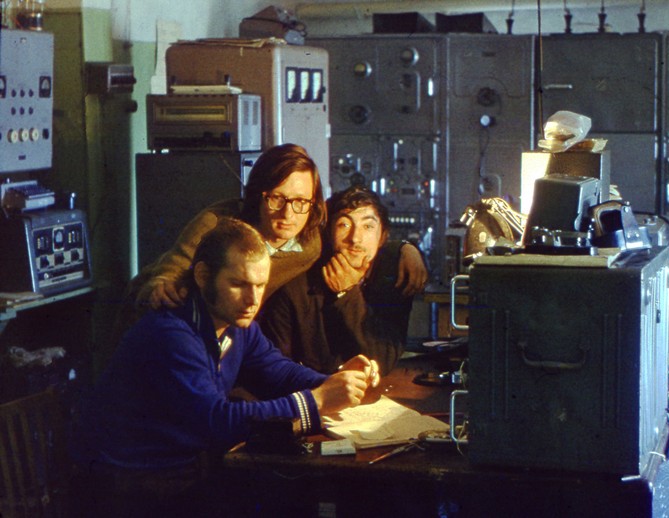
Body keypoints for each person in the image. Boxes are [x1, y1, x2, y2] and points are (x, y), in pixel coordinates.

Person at [70, 218, 380, 515]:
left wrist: (338, 381)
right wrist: (319, 399)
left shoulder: (235, 323)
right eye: (238, 284)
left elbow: (277, 371)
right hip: (132, 485)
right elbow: (218, 421)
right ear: (203, 276)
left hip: (180, 470)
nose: (252, 300)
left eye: (260, 285)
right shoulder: (173, 332)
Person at [108, 144, 427, 371]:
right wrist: (161, 285)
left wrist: (405, 249)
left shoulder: (311, 235)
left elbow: (357, 235)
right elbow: (173, 268)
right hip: (162, 326)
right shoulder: (220, 224)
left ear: (313, 205)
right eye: (276, 198)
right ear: (258, 195)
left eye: (300, 201)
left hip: (233, 340)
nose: (288, 214)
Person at [260, 186, 413, 376]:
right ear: (329, 233)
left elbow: (383, 359)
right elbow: (276, 371)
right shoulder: (294, 291)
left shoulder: (392, 283)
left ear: (382, 236)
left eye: (368, 226)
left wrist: (348, 293)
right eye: (344, 225)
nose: (355, 239)